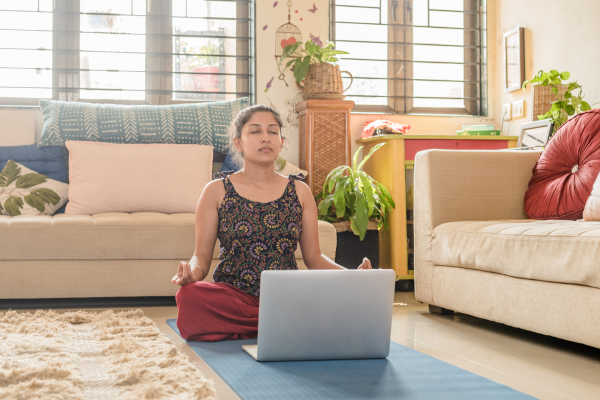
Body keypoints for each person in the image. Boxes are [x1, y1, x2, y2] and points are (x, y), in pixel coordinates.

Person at [172, 104, 372, 342]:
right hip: (233, 296)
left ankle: (267, 324)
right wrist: (191, 276)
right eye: (255, 131)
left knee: (335, 295)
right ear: (238, 143)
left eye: (272, 131)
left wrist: (352, 277)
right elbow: (201, 257)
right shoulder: (216, 191)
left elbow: (314, 258)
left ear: (281, 141)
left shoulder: (300, 191)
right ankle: (283, 325)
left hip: (287, 295)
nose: (265, 138)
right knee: (190, 296)